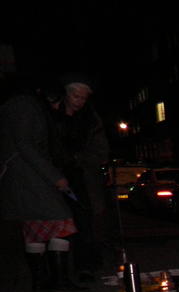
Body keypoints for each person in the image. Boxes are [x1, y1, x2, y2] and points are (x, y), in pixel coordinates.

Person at [0, 78, 82, 292]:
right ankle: (59, 281)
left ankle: (42, 282)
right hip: (31, 177)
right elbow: (26, 145)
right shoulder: (25, 106)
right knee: (62, 222)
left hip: (23, 179)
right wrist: (55, 177)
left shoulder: (18, 105)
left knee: (34, 228)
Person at [50, 74, 109, 278]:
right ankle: (60, 270)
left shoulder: (91, 119)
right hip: (57, 177)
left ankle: (86, 265)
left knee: (85, 220)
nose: (79, 101)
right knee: (60, 222)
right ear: (67, 94)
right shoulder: (52, 115)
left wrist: (79, 159)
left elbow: (101, 151)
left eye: (83, 97)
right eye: (76, 96)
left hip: (83, 178)